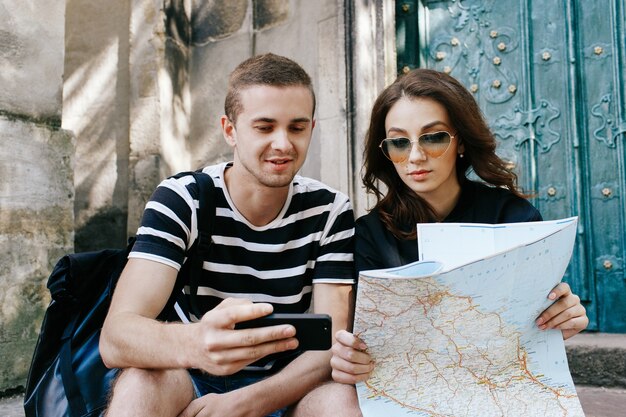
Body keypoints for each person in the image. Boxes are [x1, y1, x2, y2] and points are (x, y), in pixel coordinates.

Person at [100, 53, 356, 417]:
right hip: (190, 377)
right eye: (264, 127)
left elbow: (330, 343)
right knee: (141, 384)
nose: (283, 144)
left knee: (341, 402)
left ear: (312, 128)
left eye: (297, 128)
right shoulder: (184, 197)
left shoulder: (330, 210)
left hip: (285, 384)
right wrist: (197, 342)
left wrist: (244, 403)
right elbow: (116, 337)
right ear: (230, 129)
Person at [328, 68, 589, 409]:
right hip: (410, 398)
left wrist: (561, 315)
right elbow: (366, 340)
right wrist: (348, 355)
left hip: (502, 392)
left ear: (461, 141)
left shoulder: (512, 219)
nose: (415, 157)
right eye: (399, 142)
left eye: (433, 138)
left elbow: (533, 324)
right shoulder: (369, 233)